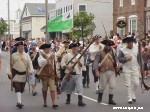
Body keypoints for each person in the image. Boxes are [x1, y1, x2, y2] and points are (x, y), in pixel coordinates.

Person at [7, 41, 33, 109]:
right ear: (18, 47)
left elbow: (30, 63)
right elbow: (10, 65)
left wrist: (31, 70)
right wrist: (9, 73)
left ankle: (19, 100)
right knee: (17, 88)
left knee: (21, 89)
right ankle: (19, 102)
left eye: (22, 46)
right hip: (16, 74)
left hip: (24, 74)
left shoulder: (26, 55)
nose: (21, 47)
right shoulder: (13, 55)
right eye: (20, 46)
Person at [61, 42, 86, 107]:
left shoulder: (80, 56)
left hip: (78, 73)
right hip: (69, 74)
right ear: (71, 48)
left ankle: (80, 101)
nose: (75, 49)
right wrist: (67, 67)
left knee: (80, 87)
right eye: (74, 48)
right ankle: (68, 98)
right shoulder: (67, 55)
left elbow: (82, 66)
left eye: (76, 48)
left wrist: (79, 62)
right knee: (69, 88)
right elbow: (62, 63)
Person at [93, 39, 117, 105]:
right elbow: (95, 62)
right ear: (105, 45)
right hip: (103, 71)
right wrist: (96, 70)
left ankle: (110, 99)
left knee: (112, 85)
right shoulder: (99, 52)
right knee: (102, 87)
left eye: (109, 46)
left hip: (112, 70)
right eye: (107, 46)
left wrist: (117, 66)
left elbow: (116, 59)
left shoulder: (113, 51)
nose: (108, 47)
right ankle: (100, 96)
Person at [118, 36, 140, 104]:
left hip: (135, 68)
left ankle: (133, 94)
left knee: (136, 83)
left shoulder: (136, 48)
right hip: (126, 69)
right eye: (129, 43)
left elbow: (139, 58)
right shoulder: (122, 50)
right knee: (128, 84)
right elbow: (120, 59)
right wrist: (126, 59)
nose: (131, 44)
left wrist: (141, 67)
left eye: (131, 42)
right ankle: (129, 98)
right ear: (127, 43)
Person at [38, 44, 60, 109]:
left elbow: (56, 65)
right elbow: (41, 63)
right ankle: (45, 102)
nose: (48, 50)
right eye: (46, 49)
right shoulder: (41, 56)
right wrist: (47, 59)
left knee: (52, 89)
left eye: (48, 49)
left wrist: (57, 74)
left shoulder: (53, 56)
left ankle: (54, 103)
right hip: (44, 75)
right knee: (44, 90)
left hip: (51, 74)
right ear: (44, 50)